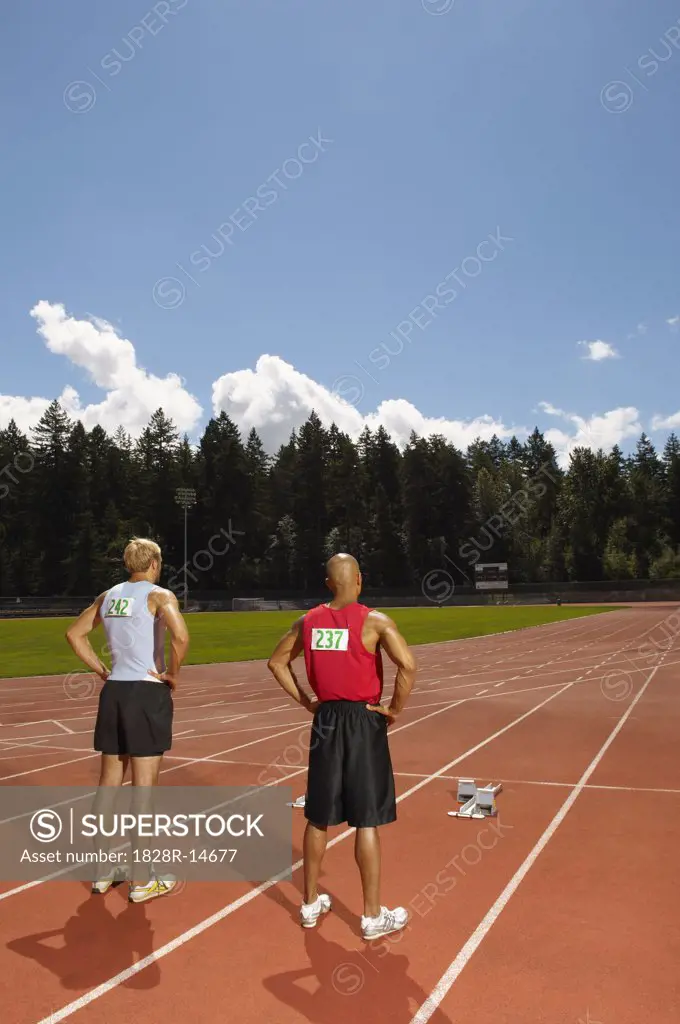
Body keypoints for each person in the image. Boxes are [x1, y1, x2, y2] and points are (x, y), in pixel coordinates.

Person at [267, 553, 416, 940]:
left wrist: (307, 701)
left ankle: (310, 903)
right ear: (360, 580)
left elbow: (276, 663)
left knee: (318, 815)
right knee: (366, 817)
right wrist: (394, 710)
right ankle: (370, 916)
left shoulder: (308, 621)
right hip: (365, 720)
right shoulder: (375, 621)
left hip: (327, 720)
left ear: (329, 583)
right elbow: (409, 665)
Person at [65, 537, 189, 904]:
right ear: (154, 563)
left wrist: (101, 669)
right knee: (144, 788)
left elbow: (74, 634)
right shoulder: (160, 596)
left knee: (108, 784)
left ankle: (102, 872)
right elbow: (181, 636)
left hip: (114, 692)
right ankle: (140, 880)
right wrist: (173, 674)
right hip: (147, 693)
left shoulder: (107, 596)